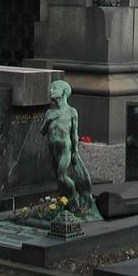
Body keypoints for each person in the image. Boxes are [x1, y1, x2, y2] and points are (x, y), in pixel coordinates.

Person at [41, 80, 100, 220]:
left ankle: (75, 197)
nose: (50, 91)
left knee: (62, 176)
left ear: (63, 93)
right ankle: (64, 200)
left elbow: (74, 134)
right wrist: (48, 120)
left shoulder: (71, 112)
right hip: (52, 148)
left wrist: (76, 151)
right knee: (59, 178)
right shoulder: (50, 112)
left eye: (54, 88)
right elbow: (42, 131)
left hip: (65, 148)